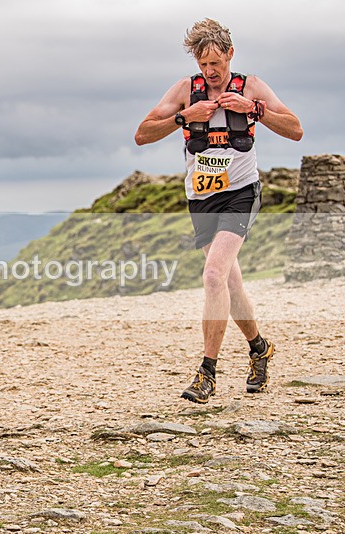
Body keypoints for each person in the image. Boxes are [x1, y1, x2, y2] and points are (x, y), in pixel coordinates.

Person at [134, 19, 302, 404]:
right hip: (201, 199)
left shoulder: (252, 86)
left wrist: (254, 109)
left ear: (230, 54)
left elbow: (295, 129)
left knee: (213, 275)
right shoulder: (184, 90)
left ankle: (206, 373)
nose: (210, 71)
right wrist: (184, 117)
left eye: (216, 63)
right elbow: (142, 134)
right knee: (229, 283)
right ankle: (259, 348)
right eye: (202, 63)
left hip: (241, 194)